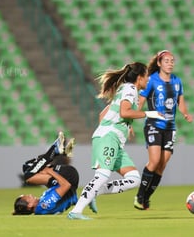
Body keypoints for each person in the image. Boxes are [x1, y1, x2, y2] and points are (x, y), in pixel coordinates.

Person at [67, 62, 165, 220]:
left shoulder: (124, 88)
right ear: (139, 78)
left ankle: (93, 192)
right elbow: (125, 111)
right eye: (146, 76)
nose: (148, 80)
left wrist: (124, 126)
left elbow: (103, 114)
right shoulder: (130, 89)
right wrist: (151, 114)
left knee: (133, 178)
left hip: (113, 139)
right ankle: (76, 211)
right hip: (109, 137)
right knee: (103, 174)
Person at [134, 50, 193, 210]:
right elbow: (140, 102)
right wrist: (130, 121)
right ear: (159, 63)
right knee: (154, 161)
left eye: (172, 60)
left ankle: (146, 197)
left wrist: (185, 113)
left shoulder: (177, 81)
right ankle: (139, 195)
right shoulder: (151, 80)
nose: (170, 63)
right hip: (154, 125)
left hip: (170, 127)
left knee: (162, 165)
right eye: (166, 60)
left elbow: (180, 101)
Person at [12, 131, 78, 215]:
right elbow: (66, 185)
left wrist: (85, 198)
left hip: (67, 183)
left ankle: (61, 154)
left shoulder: (41, 205)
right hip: (69, 177)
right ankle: (55, 150)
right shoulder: (45, 204)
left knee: (28, 167)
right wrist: (50, 172)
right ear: (29, 206)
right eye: (27, 197)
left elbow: (62, 198)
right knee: (28, 176)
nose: (29, 194)